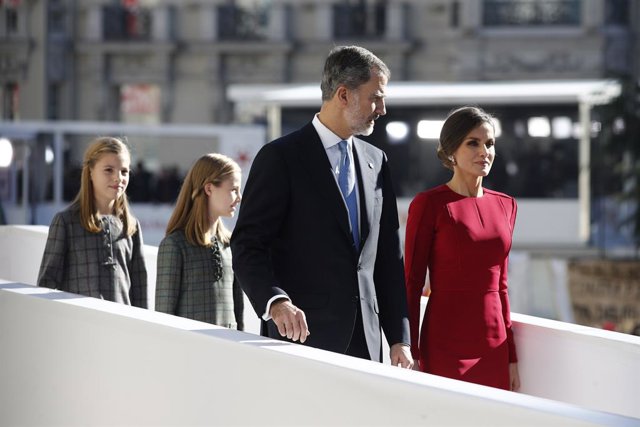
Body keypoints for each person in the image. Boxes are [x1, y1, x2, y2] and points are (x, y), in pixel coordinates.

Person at [231, 45, 412, 367]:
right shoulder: (281, 158)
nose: (382, 108)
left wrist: (399, 338)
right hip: (301, 338)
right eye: (375, 97)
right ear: (343, 95)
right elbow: (248, 245)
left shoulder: (376, 161)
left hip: (367, 343)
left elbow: (387, 256)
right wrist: (275, 301)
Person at [404, 106, 521, 391]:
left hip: (494, 343)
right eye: (473, 143)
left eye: (489, 143)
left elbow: (502, 287)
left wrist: (511, 357)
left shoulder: (506, 205)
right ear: (451, 151)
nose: (485, 151)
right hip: (445, 339)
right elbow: (412, 283)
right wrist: (412, 351)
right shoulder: (428, 205)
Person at [38, 136, 149, 308]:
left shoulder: (131, 227)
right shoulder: (66, 222)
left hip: (122, 330)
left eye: (124, 171)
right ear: (90, 171)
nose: (118, 178)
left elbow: (140, 292)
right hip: (79, 328)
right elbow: (46, 284)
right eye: (108, 170)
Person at [155, 153, 244, 330]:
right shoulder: (174, 245)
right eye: (233, 190)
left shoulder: (230, 245)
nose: (239, 197)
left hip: (228, 352)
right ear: (209, 189)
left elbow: (238, 313)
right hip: (189, 353)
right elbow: (164, 316)